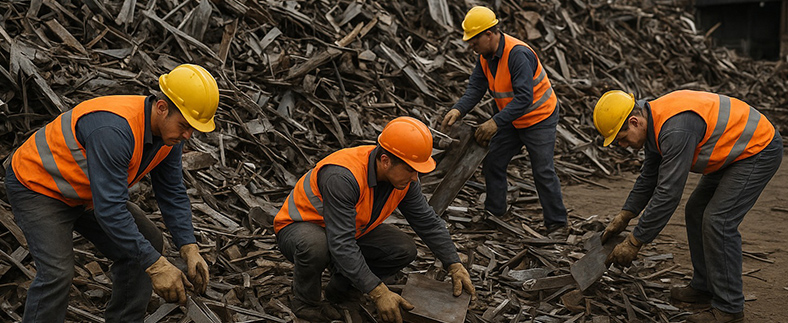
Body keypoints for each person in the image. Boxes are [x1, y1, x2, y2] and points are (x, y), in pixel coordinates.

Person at [5, 64, 219, 322]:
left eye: (193, 128)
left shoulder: (169, 136)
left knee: (147, 241)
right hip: (39, 187)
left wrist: (189, 246)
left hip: (86, 193)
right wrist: (156, 265)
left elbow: (171, 191)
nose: (188, 135)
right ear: (162, 108)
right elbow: (110, 210)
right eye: (185, 125)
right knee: (57, 273)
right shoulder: (115, 130)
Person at [594, 90, 782, 323]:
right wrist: (626, 214)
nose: (622, 145)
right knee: (695, 211)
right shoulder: (652, 121)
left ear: (634, 121)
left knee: (718, 221)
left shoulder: (675, 129)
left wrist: (635, 241)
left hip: (757, 150)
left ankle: (729, 308)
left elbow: (668, 193)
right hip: (731, 151)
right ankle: (704, 287)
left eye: (621, 138)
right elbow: (650, 176)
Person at [274, 117, 476, 322]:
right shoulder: (343, 177)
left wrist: (453, 263)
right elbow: (341, 243)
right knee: (316, 246)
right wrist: (378, 292)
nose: (415, 177)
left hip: (348, 231)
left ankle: (341, 291)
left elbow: (427, 221)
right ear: (386, 160)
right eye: (410, 169)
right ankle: (306, 303)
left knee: (403, 249)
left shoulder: (404, 180)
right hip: (300, 227)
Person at [440, 6, 568, 233]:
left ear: (489, 34)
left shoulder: (518, 54)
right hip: (511, 118)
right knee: (493, 162)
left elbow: (524, 98)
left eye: (474, 40)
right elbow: (476, 88)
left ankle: (557, 223)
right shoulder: (485, 57)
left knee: (542, 170)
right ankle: (495, 214)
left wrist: (495, 122)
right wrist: (458, 110)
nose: (471, 45)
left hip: (539, 117)